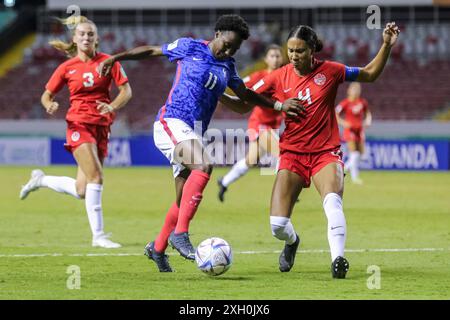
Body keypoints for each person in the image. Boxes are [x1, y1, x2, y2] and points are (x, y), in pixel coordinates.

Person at [98, 14, 302, 272]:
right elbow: (151, 50)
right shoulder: (189, 47)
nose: (229, 50)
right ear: (217, 34)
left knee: (182, 199)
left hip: (194, 131)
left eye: (235, 48)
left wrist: (279, 105)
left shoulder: (228, 66)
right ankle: (180, 234)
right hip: (171, 121)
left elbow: (245, 99)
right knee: (204, 166)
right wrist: (117, 58)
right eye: (227, 43)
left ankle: (157, 248)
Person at [220, 23, 399, 278]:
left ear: (312, 49)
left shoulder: (332, 71)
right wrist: (217, 93)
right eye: (290, 50)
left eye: (300, 51)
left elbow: (369, 74)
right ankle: (292, 241)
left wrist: (386, 45)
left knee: (332, 203)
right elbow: (242, 105)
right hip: (292, 154)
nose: (294, 56)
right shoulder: (278, 76)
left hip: (326, 152)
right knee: (277, 226)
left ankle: (338, 259)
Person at [19, 16, 132, 248]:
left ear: (97, 39)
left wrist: (111, 106)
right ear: (75, 39)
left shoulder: (109, 62)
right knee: (97, 177)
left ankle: (40, 180)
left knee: (82, 189)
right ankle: (98, 236)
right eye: (82, 34)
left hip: (102, 125)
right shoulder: (66, 68)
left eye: (90, 34)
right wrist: (48, 104)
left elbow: (126, 91)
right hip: (78, 124)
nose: (86, 37)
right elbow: (46, 94)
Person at [217, 44, 284, 202]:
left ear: (282, 58)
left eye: (278, 56)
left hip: (273, 125)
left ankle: (224, 182)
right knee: (283, 154)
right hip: (259, 123)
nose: (275, 59)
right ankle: (284, 191)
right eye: (272, 56)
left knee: (251, 160)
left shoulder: (284, 76)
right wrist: (221, 94)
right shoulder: (258, 76)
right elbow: (238, 86)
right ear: (266, 59)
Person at [336, 82, 372, 184]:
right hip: (350, 130)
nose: (356, 91)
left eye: (358, 89)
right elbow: (335, 113)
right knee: (354, 153)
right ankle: (354, 177)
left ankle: (343, 170)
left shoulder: (362, 102)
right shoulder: (345, 103)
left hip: (359, 130)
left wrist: (368, 120)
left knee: (361, 155)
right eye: (354, 89)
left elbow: (367, 113)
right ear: (349, 91)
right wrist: (343, 123)